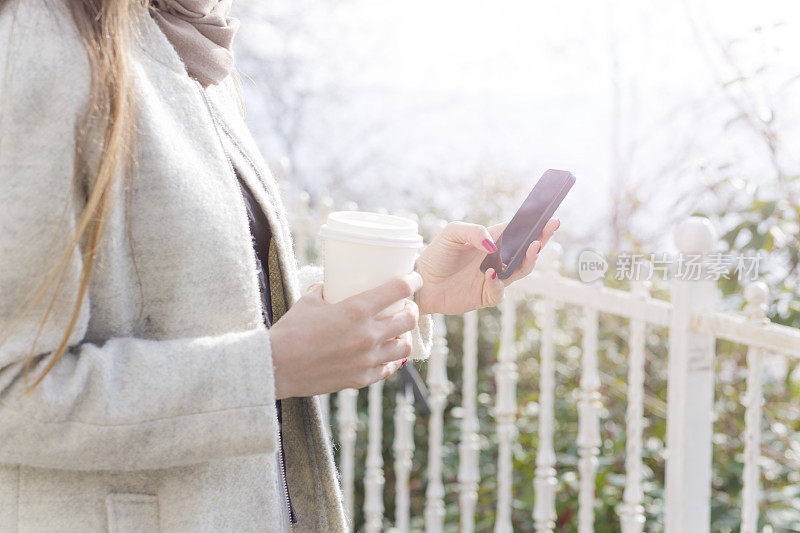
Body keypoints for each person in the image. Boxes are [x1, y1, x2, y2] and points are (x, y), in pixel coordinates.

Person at [0, 0, 559, 531]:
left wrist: (412, 287)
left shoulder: (185, 39)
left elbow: (204, 301)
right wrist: (266, 369)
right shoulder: (40, 46)